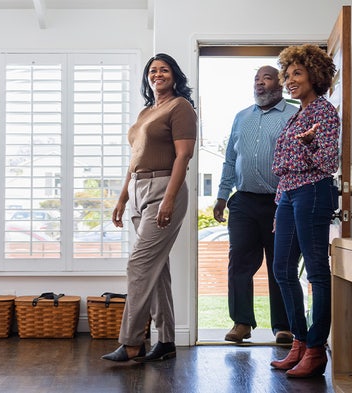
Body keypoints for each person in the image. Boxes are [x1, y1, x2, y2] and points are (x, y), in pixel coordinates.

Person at [101, 53, 197, 363]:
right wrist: (122, 197)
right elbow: (135, 157)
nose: (158, 74)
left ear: (174, 75)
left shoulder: (180, 107)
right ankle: (166, 340)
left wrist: (169, 199)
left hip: (164, 187)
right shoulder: (147, 111)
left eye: (164, 70)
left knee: (139, 266)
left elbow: (183, 156)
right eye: (152, 71)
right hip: (138, 189)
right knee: (156, 269)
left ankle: (131, 343)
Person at [268, 44, 339, 378]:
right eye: (288, 74)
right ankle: (298, 341)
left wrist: (311, 143)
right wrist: (279, 203)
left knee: (315, 271)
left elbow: (328, 163)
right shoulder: (297, 115)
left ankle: (315, 349)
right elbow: (285, 167)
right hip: (289, 194)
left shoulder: (324, 112)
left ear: (315, 74)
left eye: (297, 72)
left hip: (313, 191)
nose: (290, 79)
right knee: (281, 269)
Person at [213, 65, 296, 344]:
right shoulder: (241, 117)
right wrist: (222, 196)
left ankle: (283, 326)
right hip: (243, 201)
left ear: (280, 84)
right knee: (239, 263)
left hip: (280, 202)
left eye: (267, 78)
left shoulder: (293, 115)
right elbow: (229, 159)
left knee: (280, 264)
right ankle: (242, 322)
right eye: (256, 79)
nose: (260, 83)